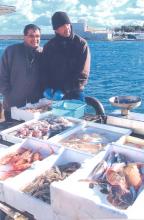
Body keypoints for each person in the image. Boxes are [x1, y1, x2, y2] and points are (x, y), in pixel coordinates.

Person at [41, 11, 91, 101]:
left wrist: (64, 89)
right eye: (62, 26)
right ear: (56, 30)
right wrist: (47, 86)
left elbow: (83, 74)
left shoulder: (81, 44)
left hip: (75, 92)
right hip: (54, 93)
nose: (67, 28)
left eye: (68, 24)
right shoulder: (49, 46)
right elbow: (44, 70)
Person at [0, 24, 42, 121]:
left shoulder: (43, 53)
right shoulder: (11, 51)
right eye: (31, 36)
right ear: (24, 37)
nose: (35, 39)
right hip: (13, 107)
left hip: (34, 109)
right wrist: (9, 95)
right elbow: (2, 76)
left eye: (37, 36)